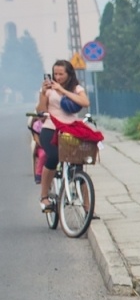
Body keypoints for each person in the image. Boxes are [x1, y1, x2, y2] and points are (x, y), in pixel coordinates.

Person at [36, 59, 89, 213]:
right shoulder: (48, 89)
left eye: (61, 74)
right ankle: (44, 196)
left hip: (71, 129)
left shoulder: (76, 88)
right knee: (52, 156)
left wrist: (63, 91)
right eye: (55, 74)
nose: (57, 77)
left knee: (79, 165)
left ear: (69, 74)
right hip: (51, 128)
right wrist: (42, 92)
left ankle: (88, 207)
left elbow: (85, 102)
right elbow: (41, 111)